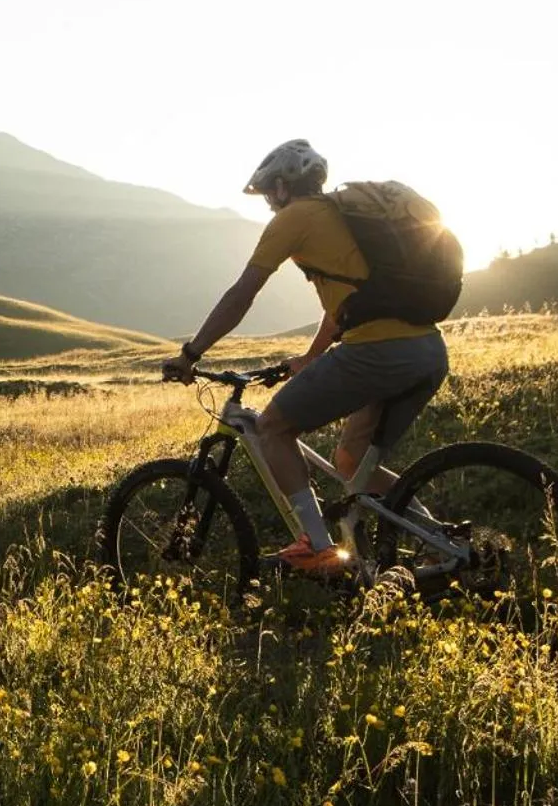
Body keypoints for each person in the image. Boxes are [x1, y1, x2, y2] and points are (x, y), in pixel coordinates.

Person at [161, 140, 451, 579]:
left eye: (266, 195)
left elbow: (243, 293)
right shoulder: (343, 218)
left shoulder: (294, 218)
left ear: (281, 186)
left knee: (272, 427)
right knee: (351, 461)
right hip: (426, 350)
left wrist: (190, 354)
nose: (268, 205)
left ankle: (318, 549)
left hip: (376, 352)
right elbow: (347, 305)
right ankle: (445, 542)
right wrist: (312, 357)